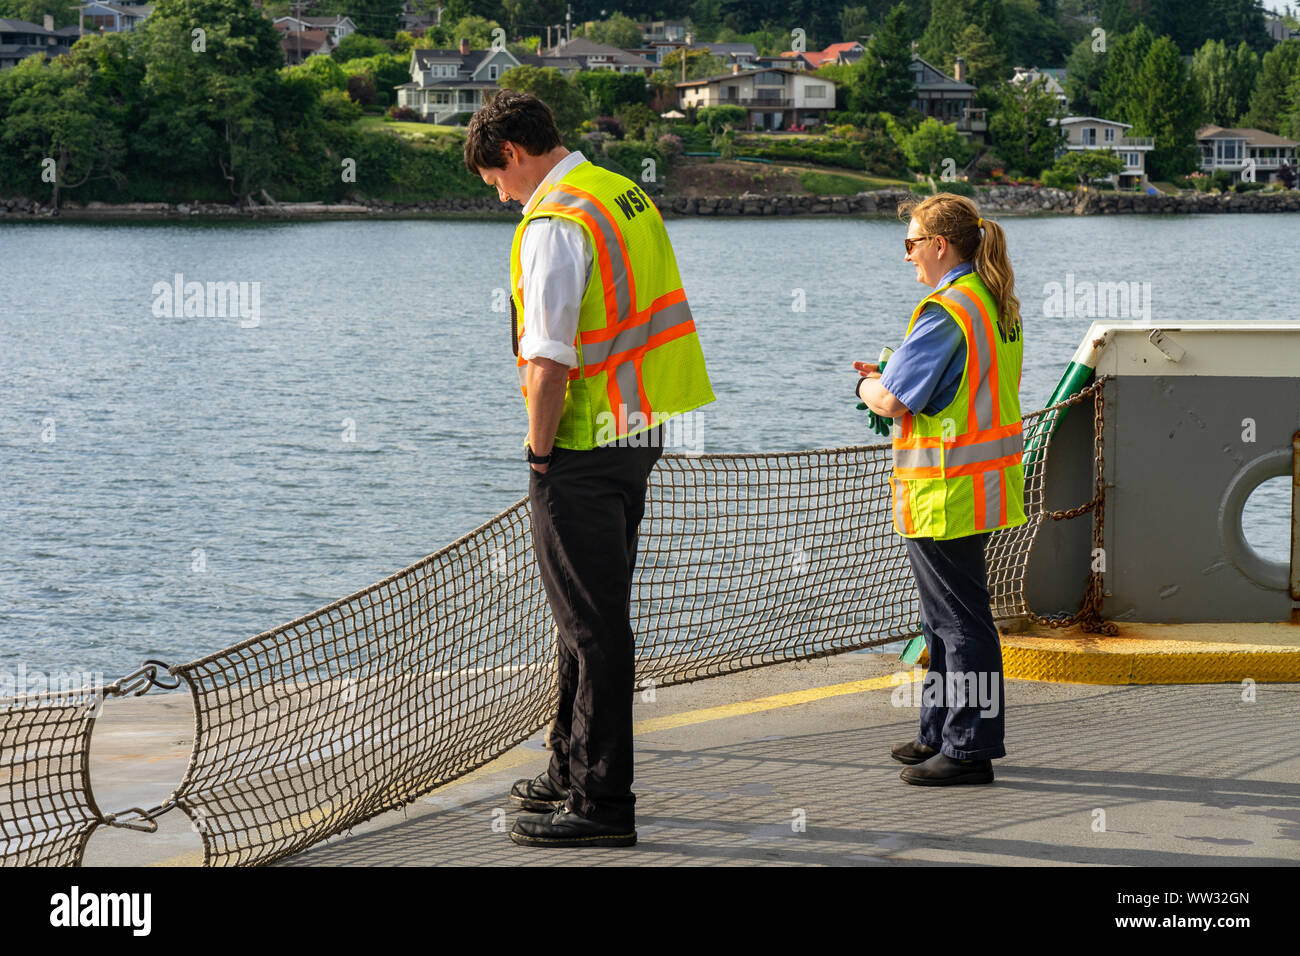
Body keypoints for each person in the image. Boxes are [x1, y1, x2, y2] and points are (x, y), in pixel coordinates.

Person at [464, 91, 715, 846]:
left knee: (593, 626)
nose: (500, 196)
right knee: (587, 618)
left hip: (579, 448)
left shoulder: (553, 223)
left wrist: (538, 458)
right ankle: (567, 770)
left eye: (494, 180)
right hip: (636, 430)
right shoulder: (619, 193)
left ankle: (603, 803)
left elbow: (547, 363)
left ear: (511, 153)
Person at [855, 193, 1025, 786]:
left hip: (944, 488)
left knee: (958, 620)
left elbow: (897, 400)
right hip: (979, 483)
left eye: (911, 243)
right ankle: (939, 731)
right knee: (944, 618)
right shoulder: (993, 302)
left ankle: (970, 748)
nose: (907, 256)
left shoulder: (947, 309)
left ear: (938, 245)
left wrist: (869, 388)